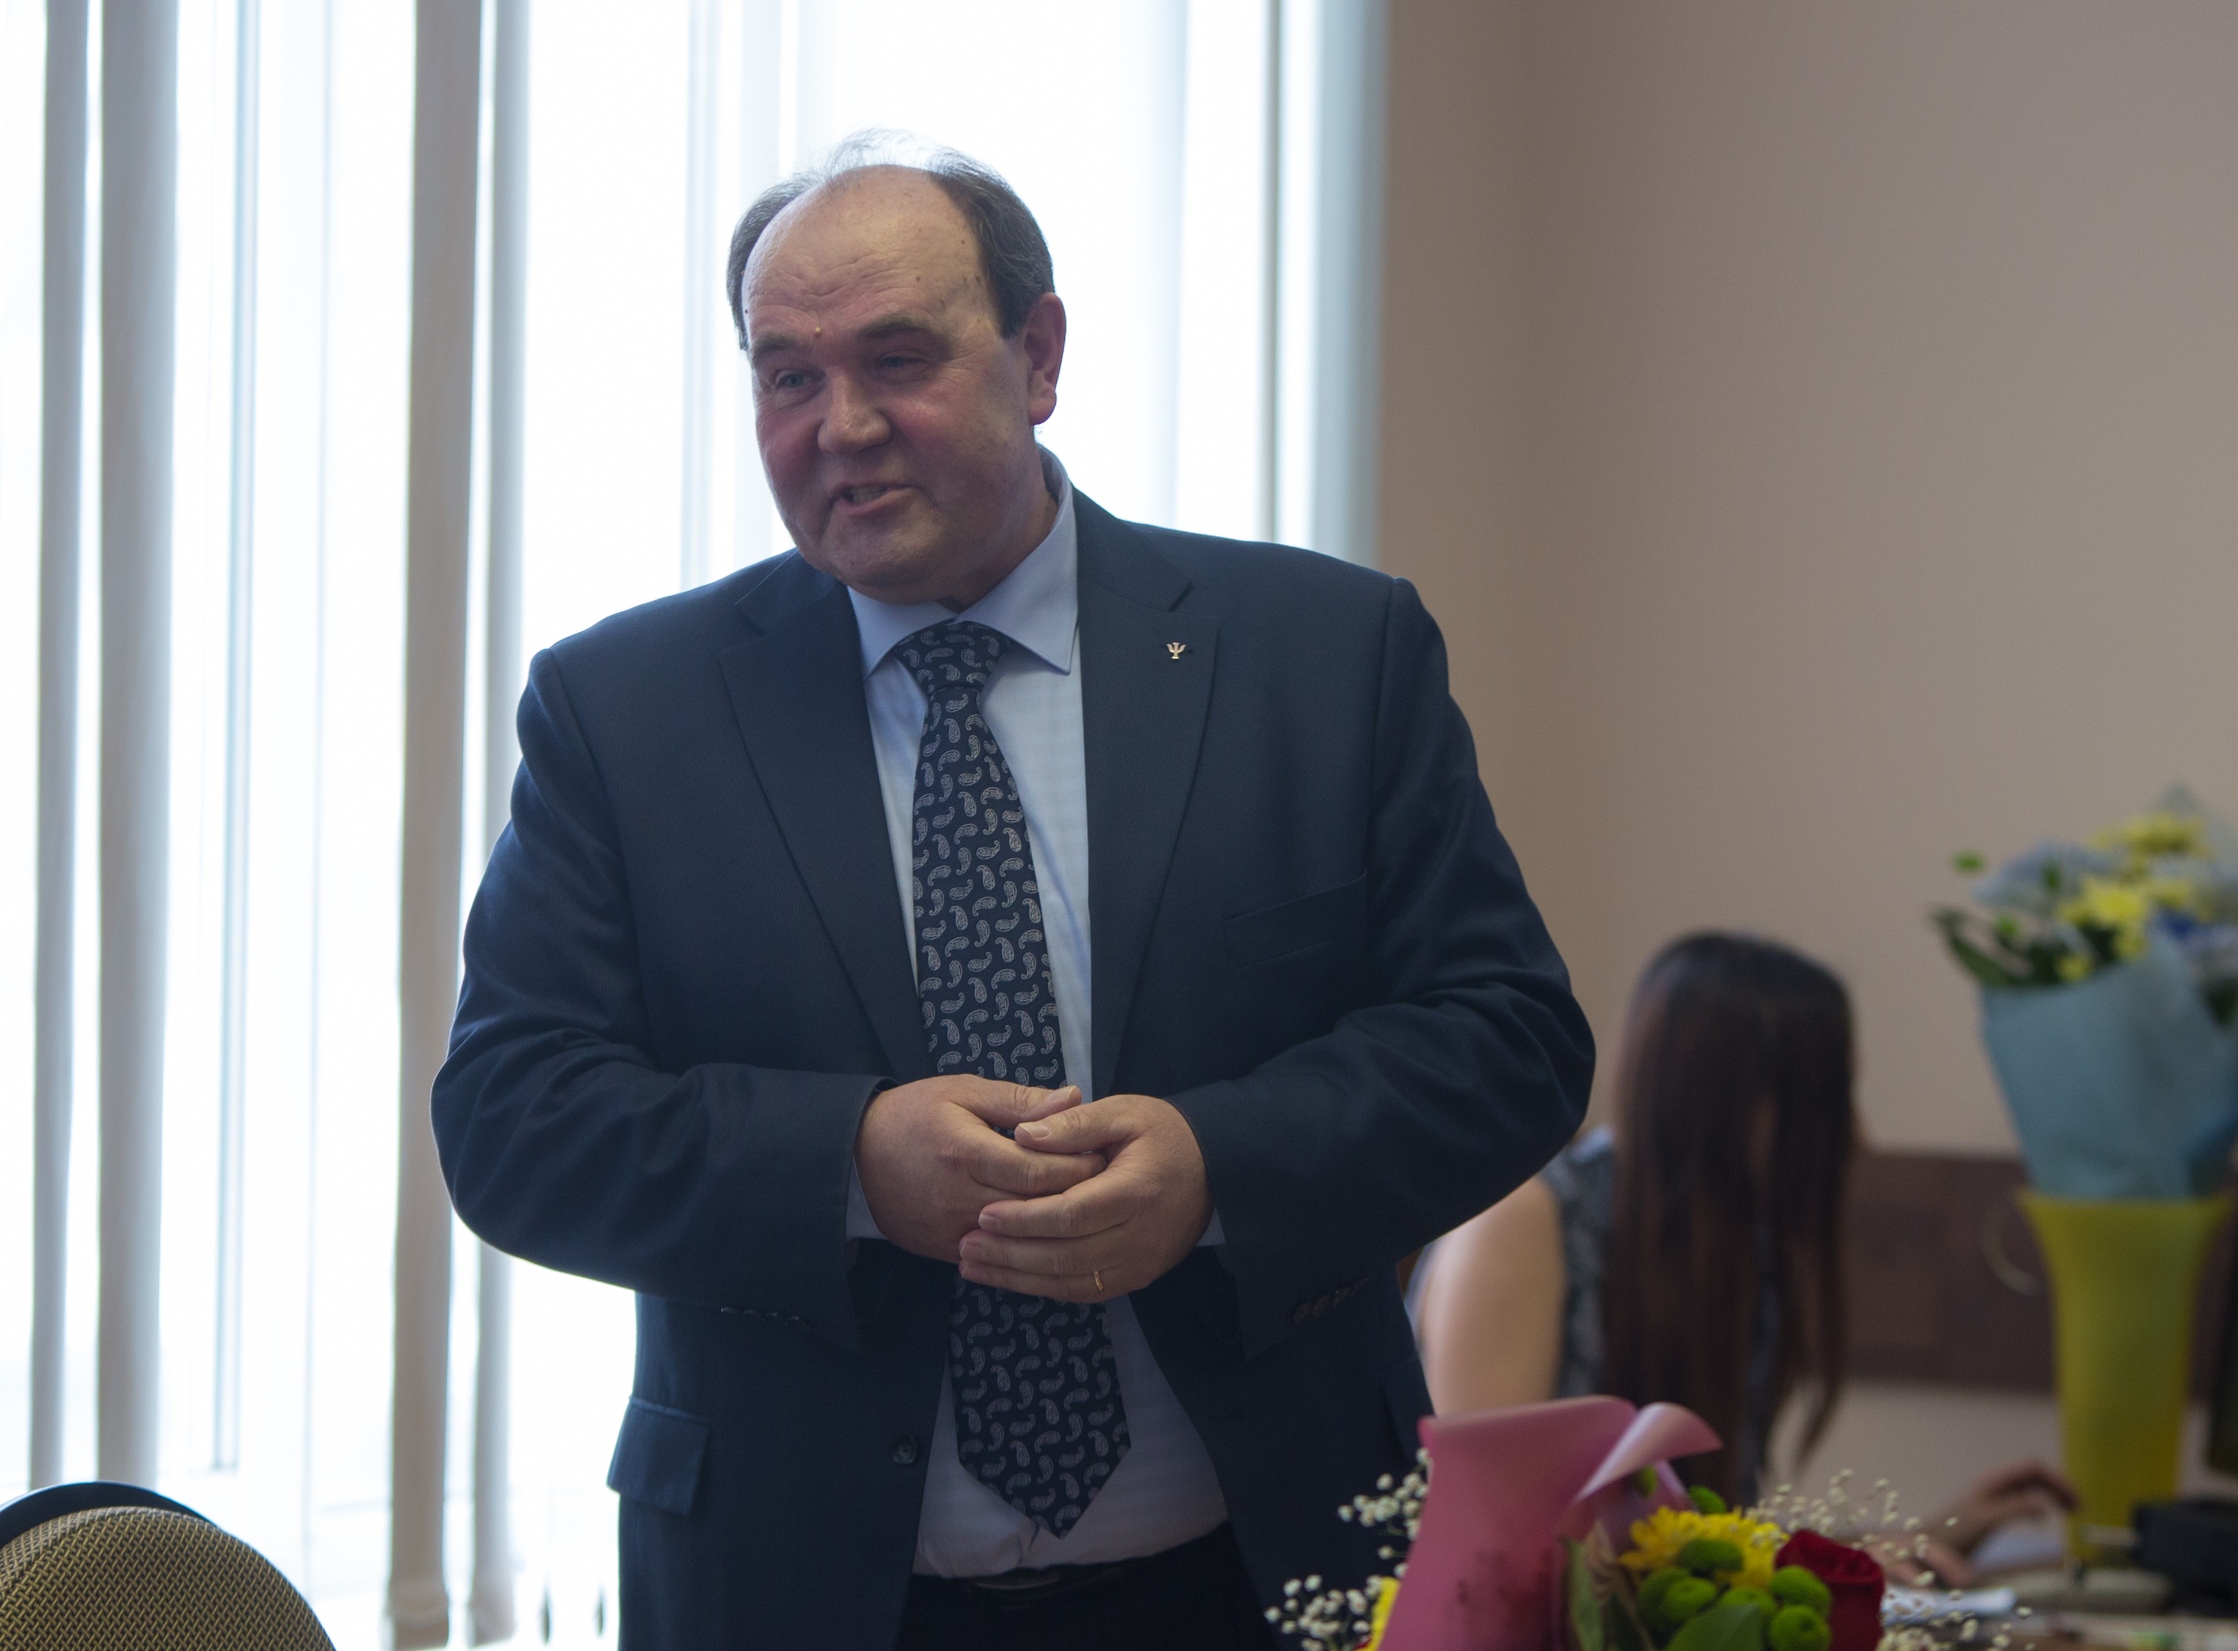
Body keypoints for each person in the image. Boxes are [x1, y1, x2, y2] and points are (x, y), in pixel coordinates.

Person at [430, 136, 1592, 1649]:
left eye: (896, 358)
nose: (841, 426)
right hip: (804, 1596)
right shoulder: (627, 712)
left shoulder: (1321, 657)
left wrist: (1217, 1168)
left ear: (1037, 356)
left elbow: (1509, 1041)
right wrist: (849, 1162)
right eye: (786, 376)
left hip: (1257, 1580)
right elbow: (511, 1118)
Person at [1412, 931, 2070, 1584]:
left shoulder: (1738, 1255)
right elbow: (1498, 1551)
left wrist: (1921, 1538)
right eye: (1831, 1101)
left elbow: (1705, 1542)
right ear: (1729, 1102)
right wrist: (1806, 1568)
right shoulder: (1521, 1225)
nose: (1859, 1139)